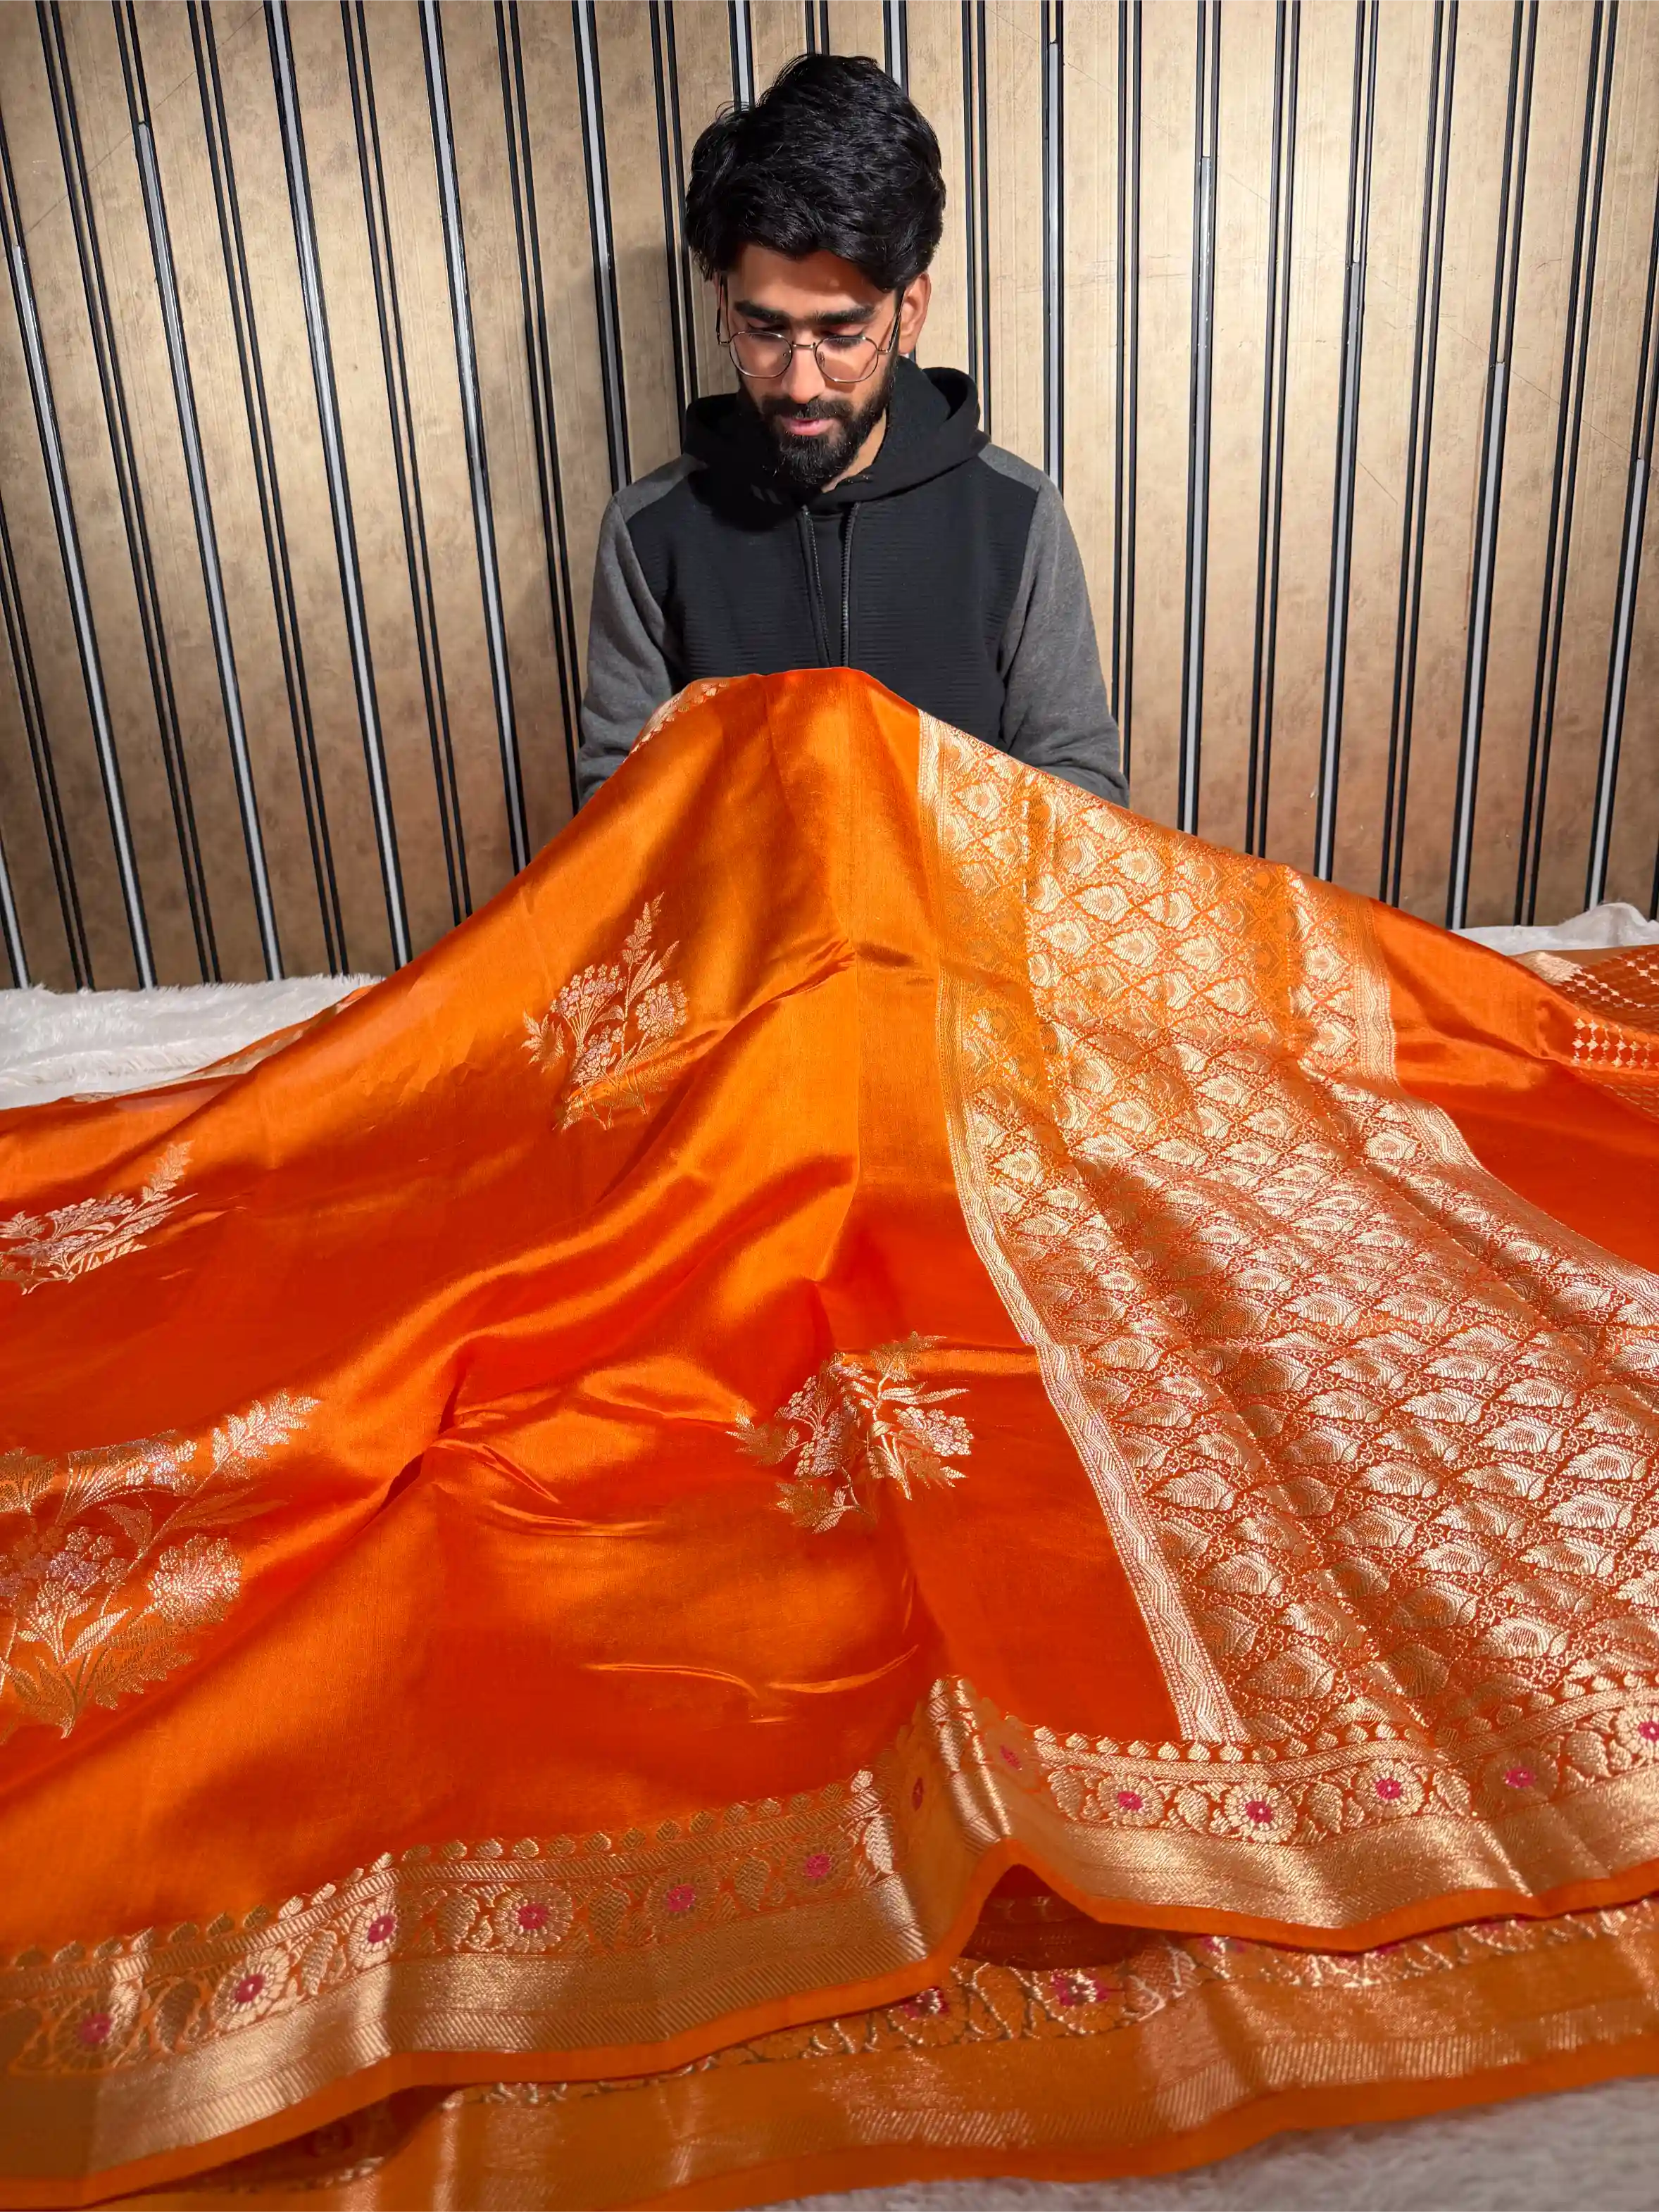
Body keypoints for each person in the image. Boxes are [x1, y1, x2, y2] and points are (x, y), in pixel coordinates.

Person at [577, 54, 1126, 807]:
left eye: (841, 334)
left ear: (908, 313)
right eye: (763, 330)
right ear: (721, 300)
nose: (801, 383)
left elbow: (1082, 792)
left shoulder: (1014, 516)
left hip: (955, 928)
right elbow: (613, 814)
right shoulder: (649, 535)